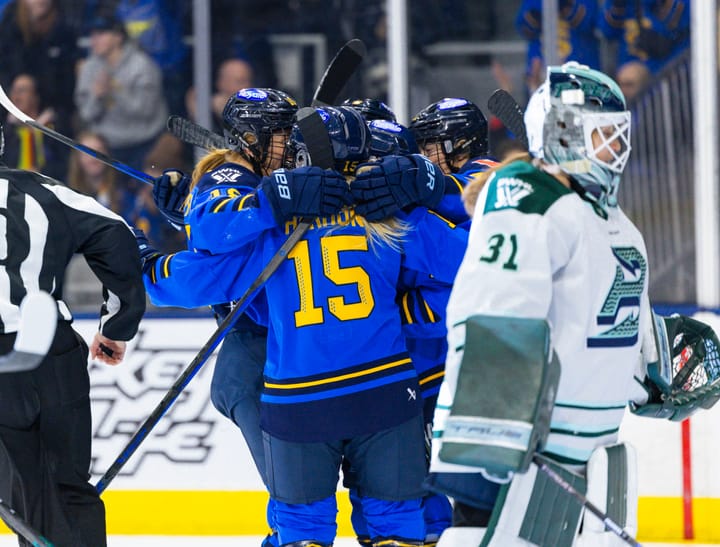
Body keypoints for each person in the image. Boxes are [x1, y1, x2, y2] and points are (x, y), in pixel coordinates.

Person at [139, 105, 461, 546]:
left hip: (299, 400)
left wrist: (146, 261)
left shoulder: (274, 226)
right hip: (386, 394)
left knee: (302, 533)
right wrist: (436, 192)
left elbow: (192, 281)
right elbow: (472, 258)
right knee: (397, 528)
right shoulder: (391, 215)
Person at [428, 62, 720, 547]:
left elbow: (613, 333)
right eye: (604, 135)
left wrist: (659, 370)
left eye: (619, 134)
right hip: (512, 459)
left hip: (592, 455)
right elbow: (495, 312)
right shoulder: (527, 202)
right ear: (565, 135)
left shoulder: (620, 227)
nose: (618, 149)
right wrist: (494, 428)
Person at [150, 87, 299, 547]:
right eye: (281, 134)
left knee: (297, 486)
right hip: (261, 348)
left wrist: (185, 222)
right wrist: (190, 223)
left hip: (284, 344)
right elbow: (220, 240)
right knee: (294, 494)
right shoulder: (232, 173)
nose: (290, 142)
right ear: (252, 139)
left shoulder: (268, 172)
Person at [0, 121, 146, 546]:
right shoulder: (45, 191)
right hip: (51, 351)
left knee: (25, 494)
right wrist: (117, 324)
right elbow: (116, 234)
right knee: (66, 485)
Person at [74, 12, 168, 173]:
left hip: (145, 143)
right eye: (92, 34)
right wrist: (97, 97)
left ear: (118, 37)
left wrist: (115, 91)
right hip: (108, 146)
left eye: (101, 34)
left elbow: (145, 111)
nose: (94, 40)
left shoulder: (142, 65)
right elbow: (86, 115)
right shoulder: (89, 68)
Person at [409, 97, 498, 225]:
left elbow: (474, 193)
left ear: (461, 149)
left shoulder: (487, 169)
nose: (423, 159)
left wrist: (415, 181)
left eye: (428, 151)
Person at [0, 0, 79, 130]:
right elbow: (5, 68)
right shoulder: (10, 24)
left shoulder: (64, 23)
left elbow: (67, 77)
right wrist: (12, 107)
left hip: (53, 108)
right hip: (11, 107)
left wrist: (53, 111)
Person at [598, 0, 690, 102]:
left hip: (665, 79)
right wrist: (617, 6)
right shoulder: (623, 4)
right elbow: (607, 32)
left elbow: (680, 25)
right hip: (627, 78)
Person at [515, 0, 601, 94]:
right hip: (541, 75)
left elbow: (593, 24)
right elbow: (524, 29)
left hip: (580, 74)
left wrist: (565, 6)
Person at [1, 73, 68, 180]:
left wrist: (41, 173)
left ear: (35, 96)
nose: (16, 96)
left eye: (22, 90)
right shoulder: (6, 130)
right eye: (13, 91)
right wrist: (9, 127)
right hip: (15, 187)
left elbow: (65, 163)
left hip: (48, 184)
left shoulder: (52, 127)